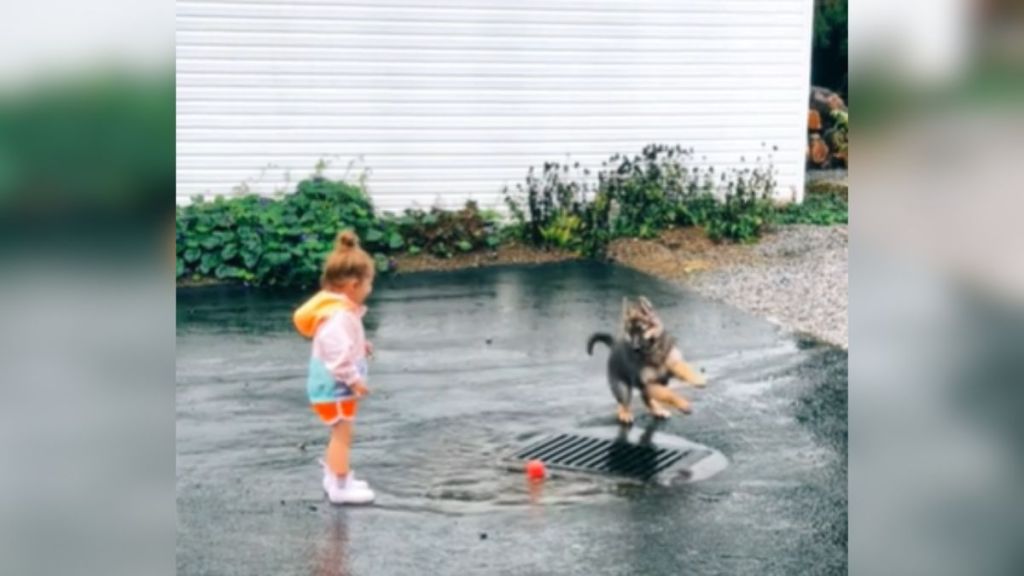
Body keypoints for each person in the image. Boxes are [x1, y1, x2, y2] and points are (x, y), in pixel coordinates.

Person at [293, 230, 376, 504]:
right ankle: (340, 487)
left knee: (338, 433)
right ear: (353, 284)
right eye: (368, 283)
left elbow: (341, 344)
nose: (370, 289)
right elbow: (335, 354)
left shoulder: (340, 312)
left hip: (333, 387)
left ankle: (335, 476)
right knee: (342, 435)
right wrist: (354, 381)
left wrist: (360, 346)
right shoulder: (339, 316)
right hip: (334, 387)